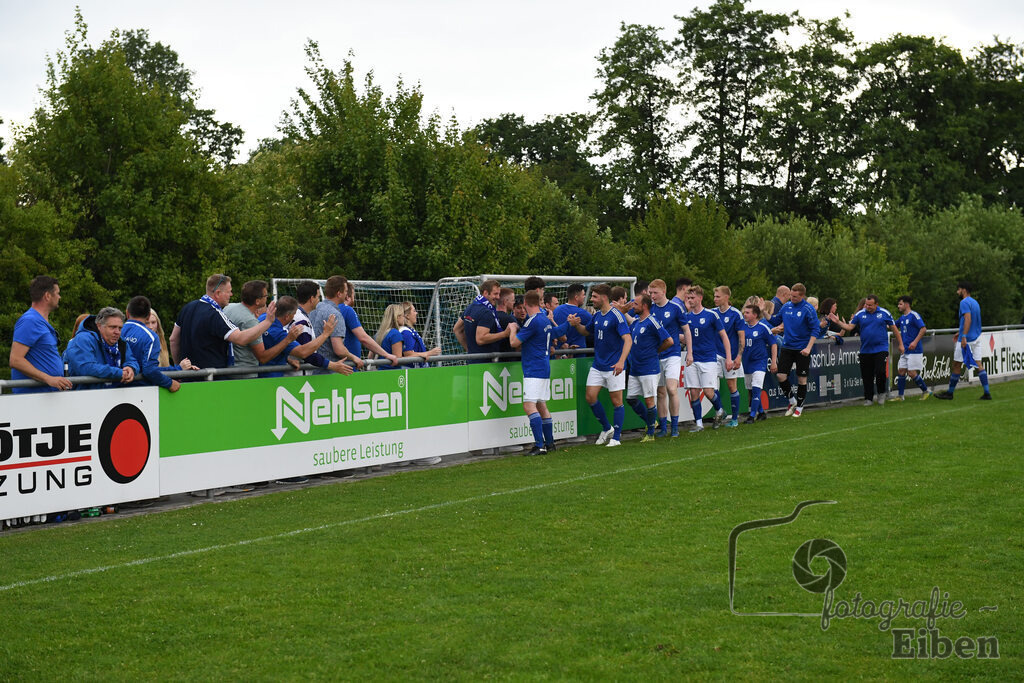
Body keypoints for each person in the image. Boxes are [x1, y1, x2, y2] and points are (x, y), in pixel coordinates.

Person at [169, 274, 277, 373]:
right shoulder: (214, 314)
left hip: (188, 376)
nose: (231, 294)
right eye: (229, 291)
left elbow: (173, 339)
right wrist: (268, 322)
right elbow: (240, 338)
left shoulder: (188, 307)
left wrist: (179, 368)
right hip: (211, 378)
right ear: (218, 293)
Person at [567, 284, 632, 447]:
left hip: (613, 366)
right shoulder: (597, 316)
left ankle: (616, 438)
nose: (591, 299)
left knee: (617, 402)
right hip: (598, 365)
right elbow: (585, 332)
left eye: (594, 296)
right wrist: (575, 325)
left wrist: (621, 361)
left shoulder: (617, 316)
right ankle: (606, 428)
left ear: (604, 297)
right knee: (590, 397)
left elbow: (628, 340)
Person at [509, 291, 572, 454]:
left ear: (525, 303)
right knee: (541, 405)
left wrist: (512, 329)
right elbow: (556, 334)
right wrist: (568, 324)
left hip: (533, 368)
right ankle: (550, 443)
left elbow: (514, 342)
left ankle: (539, 445)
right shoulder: (545, 318)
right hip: (544, 366)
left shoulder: (532, 322)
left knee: (529, 406)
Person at [829, 295, 904, 405]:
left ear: (876, 304)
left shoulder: (884, 313)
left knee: (880, 371)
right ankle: (868, 398)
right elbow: (850, 327)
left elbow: (895, 330)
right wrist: (838, 322)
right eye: (866, 305)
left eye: (870, 305)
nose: (867, 307)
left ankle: (881, 393)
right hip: (865, 350)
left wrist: (900, 344)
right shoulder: (860, 314)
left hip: (881, 348)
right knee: (867, 375)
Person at [224, 280, 303, 379]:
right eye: (265, 296)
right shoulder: (250, 321)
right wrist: (288, 340)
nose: (267, 298)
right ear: (257, 301)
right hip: (244, 374)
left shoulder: (229, 307)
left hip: (228, 368)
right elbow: (262, 357)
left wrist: (287, 358)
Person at [258, 296, 352, 378]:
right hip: (270, 379)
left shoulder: (263, 318)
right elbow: (303, 352)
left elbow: (271, 346)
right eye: (293, 315)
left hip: (259, 374)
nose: (294, 317)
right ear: (287, 316)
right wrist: (325, 334)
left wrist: (287, 358)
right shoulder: (281, 333)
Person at [9, 275, 72, 392]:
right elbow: (15, 360)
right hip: (33, 399)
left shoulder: (39, 321)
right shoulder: (30, 321)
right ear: (47, 296)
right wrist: (48, 379)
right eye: (57, 293)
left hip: (46, 397)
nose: (60, 297)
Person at [625, 293, 673, 442]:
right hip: (635, 368)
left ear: (644, 306)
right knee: (631, 398)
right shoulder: (637, 322)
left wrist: (655, 350)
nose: (633, 307)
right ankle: (651, 421)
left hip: (649, 368)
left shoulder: (652, 321)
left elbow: (669, 341)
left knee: (649, 400)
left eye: (636, 304)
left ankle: (650, 433)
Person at [648, 279, 692, 437]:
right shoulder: (650, 309)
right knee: (660, 392)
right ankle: (663, 428)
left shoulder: (675, 308)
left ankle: (675, 426)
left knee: (672, 389)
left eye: (655, 293)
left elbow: (687, 331)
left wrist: (690, 352)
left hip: (672, 354)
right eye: (650, 293)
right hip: (656, 354)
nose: (652, 296)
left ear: (663, 292)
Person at [123, 295, 195, 391]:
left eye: (154, 322)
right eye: (149, 322)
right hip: (141, 391)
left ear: (127, 314)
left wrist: (178, 369)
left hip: (111, 388)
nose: (151, 326)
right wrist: (170, 383)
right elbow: (149, 370)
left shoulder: (116, 330)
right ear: (148, 316)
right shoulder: (150, 337)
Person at [684, 285, 731, 431]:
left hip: (709, 359)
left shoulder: (711, 315)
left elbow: (724, 336)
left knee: (709, 391)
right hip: (692, 359)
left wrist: (729, 357)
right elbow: (685, 336)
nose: (690, 300)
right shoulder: (687, 317)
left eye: (692, 298)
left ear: (700, 298)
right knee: (693, 391)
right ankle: (699, 424)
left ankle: (720, 410)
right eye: (688, 298)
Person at [772, 283, 822, 418]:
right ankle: (792, 400)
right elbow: (774, 320)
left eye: (794, 296)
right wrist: (763, 311)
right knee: (780, 375)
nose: (792, 299)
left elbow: (815, 329)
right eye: (790, 296)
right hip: (788, 346)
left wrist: (808, 347)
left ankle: (799, 406)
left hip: (802, 348)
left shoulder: (808, 308)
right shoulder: (786, 306)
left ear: (802, 296)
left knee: (802, 379)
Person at [936, 281, 991, 400]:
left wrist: (964, 335)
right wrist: (960, 332)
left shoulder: (964, 302)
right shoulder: (975, 302)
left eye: (959, 289)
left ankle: (949, 393)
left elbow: (968, 319)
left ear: (964, 290)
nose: (957, 292)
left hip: (967, 339)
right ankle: (987, 392)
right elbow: (974, 321)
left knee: (956, 364)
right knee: (979, 364)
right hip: (976, 337)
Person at [63, 307, 139, 389]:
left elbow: (132, 360)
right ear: (99, 326)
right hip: (85, 396)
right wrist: (119, 373)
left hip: (116, 397)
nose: (117, 332)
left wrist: (131, 368)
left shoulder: (121, 342)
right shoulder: (83, 339)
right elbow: (85, 368)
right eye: (112, 327)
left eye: (120, 328)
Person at [340, 280, 399, 368]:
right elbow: (363, 338)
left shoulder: (329, 309)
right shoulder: (347, 310)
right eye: (353, 295)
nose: (354, 299)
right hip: (347, 366)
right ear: (348, 297)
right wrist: (386, 355)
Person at [453, 279, 516, 361]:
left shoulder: (471, 307)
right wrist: (504, 334)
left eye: (499, 294)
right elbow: (480, 339)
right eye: (495, 294)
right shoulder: (486, 312)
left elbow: (456, 329)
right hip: (484, 364)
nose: (498, 297)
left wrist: (470, 351)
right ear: (486, 293)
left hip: (472, 361)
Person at [308, 276, 360, 372]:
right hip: (327, 372)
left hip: (311, 368)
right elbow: (338, 349)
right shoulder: (335, 314)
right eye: (345, 291)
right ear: (339, 294)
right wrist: (353, 357)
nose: (346, 295)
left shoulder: (314, 308)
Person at [713, 286, 745, 428]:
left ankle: (735, 419)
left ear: (726, 297)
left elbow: (741, 338)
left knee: (732, 386)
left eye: (718, 296)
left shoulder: (736, 314)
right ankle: (721, 410)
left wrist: (738, 356)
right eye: (714, 296)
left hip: (730, 356)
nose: (715, 299)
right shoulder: (712, 313)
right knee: (711, 386)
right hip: (714, 355)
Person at [741, 303, 778, 423]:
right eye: (744, 312)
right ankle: (761, 413)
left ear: (755, 315)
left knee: (757, 389)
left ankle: (752, 416)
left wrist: (773, 362)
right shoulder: (742, 327)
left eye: (747, 313)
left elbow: (773, 343)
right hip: (746, 363)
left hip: (759, 363)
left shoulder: (763, 328)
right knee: (751, 390)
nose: (744, 314)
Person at [895, 296, 932, 400]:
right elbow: (892, 325)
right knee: (901, 371)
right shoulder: (902, 318)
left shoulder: (914, 315)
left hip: (914, 350)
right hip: (905, 350)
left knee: (911, 373)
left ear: (907, 304)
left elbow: (923, 329)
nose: (898, 306)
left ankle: (926, 391)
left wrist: (915, 342)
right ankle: (900, 396)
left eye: (900, 304)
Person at [399, 301, 441, 368]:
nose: (416, 313)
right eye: (414, 311)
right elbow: (408, 355)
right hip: (410, 372)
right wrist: (429, 353)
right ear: (407, 316)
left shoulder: (410, 331)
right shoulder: (406, 332)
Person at [553, 284, 593, 354]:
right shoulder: (583, 313)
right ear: (576, 297)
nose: (584, 297)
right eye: (583, 295)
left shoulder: (557, 310)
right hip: (578, 355)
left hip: (559, 354)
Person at [373, 304, 408, 370]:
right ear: (397, 317)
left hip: (379, 372)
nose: (404, 318)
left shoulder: (378, 334)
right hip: (392, 374)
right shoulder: (395, 334)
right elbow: (398, 360)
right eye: (403, 316)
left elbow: (370, 356)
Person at [495, 287, 518, 353]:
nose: (514, 303)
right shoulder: (509, 319)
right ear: (505, 302)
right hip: (508, 359)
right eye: (513, 300)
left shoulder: (491, 316)